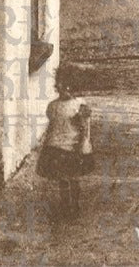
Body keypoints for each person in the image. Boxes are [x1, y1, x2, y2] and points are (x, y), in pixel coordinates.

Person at [37, 66, 94, 219]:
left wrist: (83, 143)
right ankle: (64, 203)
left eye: (66, 86)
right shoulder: (53, 106)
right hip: (56, 147)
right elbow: (52, 125)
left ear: (73, 87)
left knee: (73, 178)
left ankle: (74, 204)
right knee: (62, 178)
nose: (62, 89)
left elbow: (85, 127)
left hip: (72, 147)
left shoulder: (79, 106)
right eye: (60, 85)